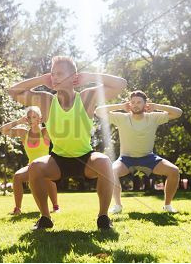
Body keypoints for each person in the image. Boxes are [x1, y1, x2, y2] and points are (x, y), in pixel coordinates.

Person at [8, 56, 127, 230]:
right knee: (35, 166)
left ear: (73, 77)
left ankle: (103, 217)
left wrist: (91, 76)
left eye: (60, 73)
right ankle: (45, 218)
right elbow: (13, 91)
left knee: (104, 162)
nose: (55, 77)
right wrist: (42, 79)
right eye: (53, 74)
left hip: (85, 158)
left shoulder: (87, 97)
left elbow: (121, 84)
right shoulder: (46, 101)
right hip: (58, 160)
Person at [95, 90, 182, 213]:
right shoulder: (121, 118)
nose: (135, 104)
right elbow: (98, 111)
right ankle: (118, 206)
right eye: (133, 102)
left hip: (149, 157)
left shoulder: (153, 117)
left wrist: (156, 106)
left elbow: (178, 113)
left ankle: (167, 206)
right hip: (126, 158)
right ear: (129, 104)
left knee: (174, 171)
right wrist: (120, 106)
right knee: (111, 171)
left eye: (139, 102)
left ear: (145, 104)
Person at [0, 106, 59, 215]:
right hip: (32, 167)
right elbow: (3, 130)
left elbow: (58, 126)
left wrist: (46, 119)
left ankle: (56, 206)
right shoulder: (23, 133)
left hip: (47, 166)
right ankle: (17, 209)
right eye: (29, 117)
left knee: (48, 177)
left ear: (39, 118)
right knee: (17, 177)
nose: (31, 119)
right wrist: (19, 121)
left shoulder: (45, 132)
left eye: (34, 117)